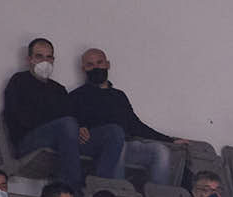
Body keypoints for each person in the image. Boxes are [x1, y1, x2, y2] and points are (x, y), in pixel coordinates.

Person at [3, 38, 123, 190]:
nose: (44, 61)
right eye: (39, 56)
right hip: (28, 140)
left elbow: (70, 116)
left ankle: (100, 190)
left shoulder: (58, 89)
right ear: (29, 59)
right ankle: (72, 188)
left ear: (53, 60)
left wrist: (80, 128)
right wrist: (64, 125)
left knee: (114, 132)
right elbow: (19, 118)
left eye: (48, 57)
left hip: (63, 137)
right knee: (67, 125)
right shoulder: (19, 81)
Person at [70, 47, 182, 185]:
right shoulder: (77, 96)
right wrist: (79, 127)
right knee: (116, 136)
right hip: (94, 146)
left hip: (124, 145)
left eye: (99, 63)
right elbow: (68, 122)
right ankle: (117, 193)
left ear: (108, 64)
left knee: (160, 151)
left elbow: (135, 125)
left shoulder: (119, 96)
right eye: (90, 65)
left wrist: (170, 140)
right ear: (83, 69)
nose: (96, 68)